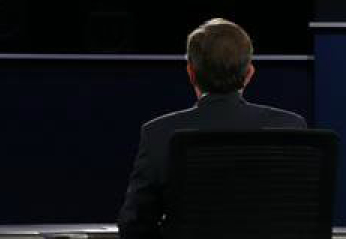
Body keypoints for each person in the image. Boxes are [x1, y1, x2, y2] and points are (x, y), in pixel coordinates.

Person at [117, 18, 307, 239]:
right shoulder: (289, 128)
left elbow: (134, 226)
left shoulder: (159, 134)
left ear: (191, 73)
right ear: (249, 74)